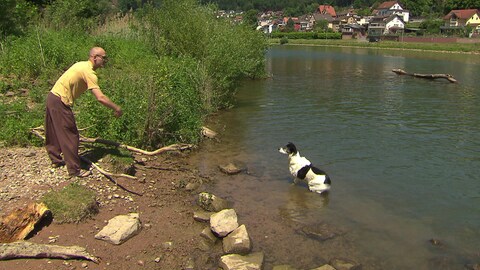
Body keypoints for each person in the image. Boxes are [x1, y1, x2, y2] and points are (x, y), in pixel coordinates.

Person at [45, 47, 123, 177]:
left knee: (53, 131)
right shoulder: (89, 72)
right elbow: (100, 97)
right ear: (94, 57)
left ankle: (55, 160)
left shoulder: (80, 64)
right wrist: (117, 108)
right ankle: (74, 170)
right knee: (70, 135)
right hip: (60, 101)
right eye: (103, 58)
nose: (105, 60)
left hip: (52, 97)